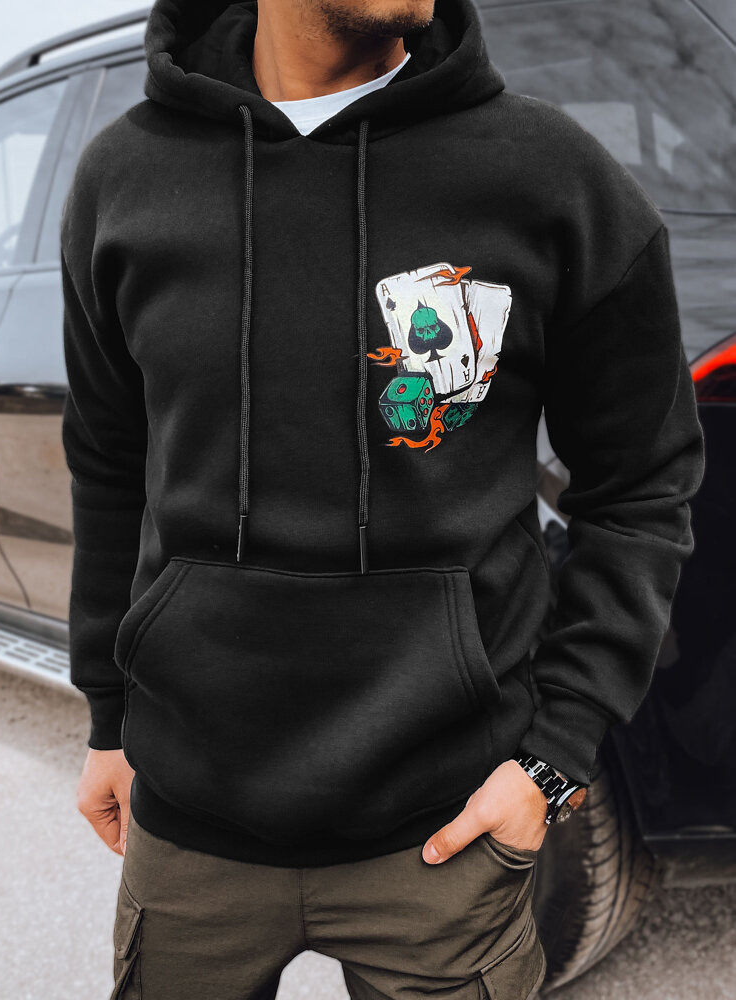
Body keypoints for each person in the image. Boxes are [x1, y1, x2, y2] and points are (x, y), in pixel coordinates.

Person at [60, 0, 706, 996]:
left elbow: (641, 486)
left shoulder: (549, 178)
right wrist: (107, 715)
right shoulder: (126, 176)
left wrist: (555, 758)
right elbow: (110, 465)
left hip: (446, 837)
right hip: (190, 828)